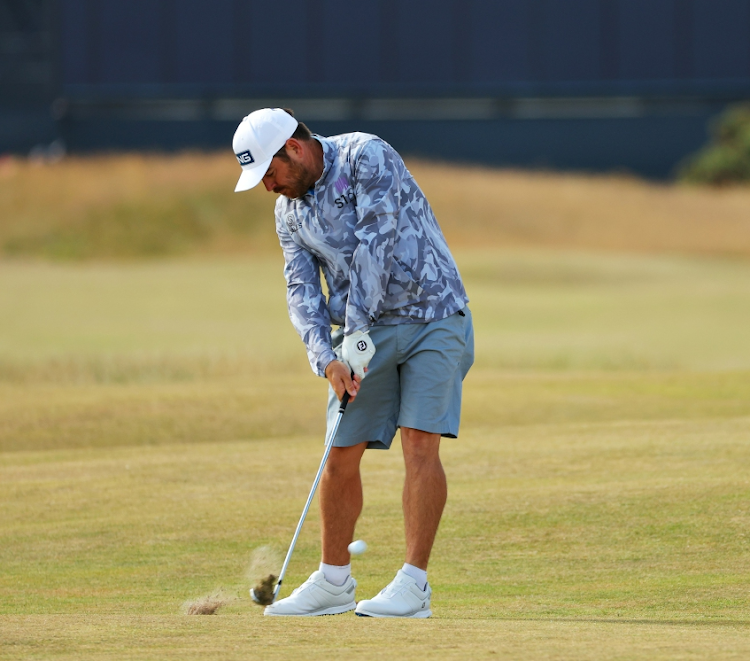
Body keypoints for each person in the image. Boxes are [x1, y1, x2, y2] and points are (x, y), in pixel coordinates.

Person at [232, 107, 473, 618]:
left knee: (418, 442)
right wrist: (326, 359)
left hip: (434, 315)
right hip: (363, 334)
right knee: (339, 452)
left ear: (293, 148)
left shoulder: (367, 154)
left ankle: (414, 586)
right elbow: (302, 290)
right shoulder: (288, 212)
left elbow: (376, 245)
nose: (268, 187)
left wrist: (355, 331)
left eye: (269, 173)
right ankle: (334, 582)